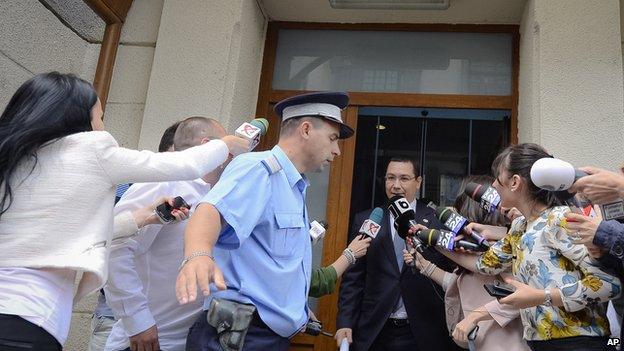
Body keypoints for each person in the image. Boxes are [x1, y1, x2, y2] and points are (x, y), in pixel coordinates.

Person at [0, 72, 249, 350]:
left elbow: (53, 234)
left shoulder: (15, 159)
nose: (103, 128)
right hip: (27, 317)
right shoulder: (90, 149)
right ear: (77, 119)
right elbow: (180, 165)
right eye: (100, 117)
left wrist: (141, 218)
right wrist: (226, 144)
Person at [175, 91, 354, 351]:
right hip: (239, 336)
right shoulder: (258, 169)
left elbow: (273, 264)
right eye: (332, 138)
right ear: (305, 129)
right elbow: (210, 211)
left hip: (261, 335)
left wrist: (296, 309)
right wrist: (198, 254)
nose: (336, 150)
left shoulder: (293, 186)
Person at [442, 143, 621, 351]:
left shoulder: (560, 219)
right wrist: (434, 242)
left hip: (580, 343)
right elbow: (485, 264)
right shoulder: (519, 226)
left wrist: (542, 296)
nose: (494, 185)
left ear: (515, 182)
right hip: (538, 344)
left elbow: (609, 284)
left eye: (498, 179)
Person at [104, 117, 229, 351]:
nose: (230, 154)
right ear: (207, 145)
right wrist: (137, 321)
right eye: (225, 146)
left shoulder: (212, 195)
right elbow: (114, 247)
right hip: (147, 342)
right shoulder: (163, 183)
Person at [335, 156, 461, 351]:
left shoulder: (437, 222)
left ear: (418, 182)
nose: (395, 185)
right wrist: (345, 321)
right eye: (390, 178)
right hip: (375, 329)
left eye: (404, 179)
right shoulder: (367, 220)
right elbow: (353, 279)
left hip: (423, 331)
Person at [404, 175, 529, 351]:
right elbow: (462, 284)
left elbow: (521, 297)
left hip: (505, 344)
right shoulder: (473, 247)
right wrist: (423, 262)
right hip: (478, 343)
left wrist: (474, 317)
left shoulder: (504, 248)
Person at [89, 120, 182, 351]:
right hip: (115, 315)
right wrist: (136, 319)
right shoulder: (135, 186)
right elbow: (107, 243)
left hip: (163, 323)